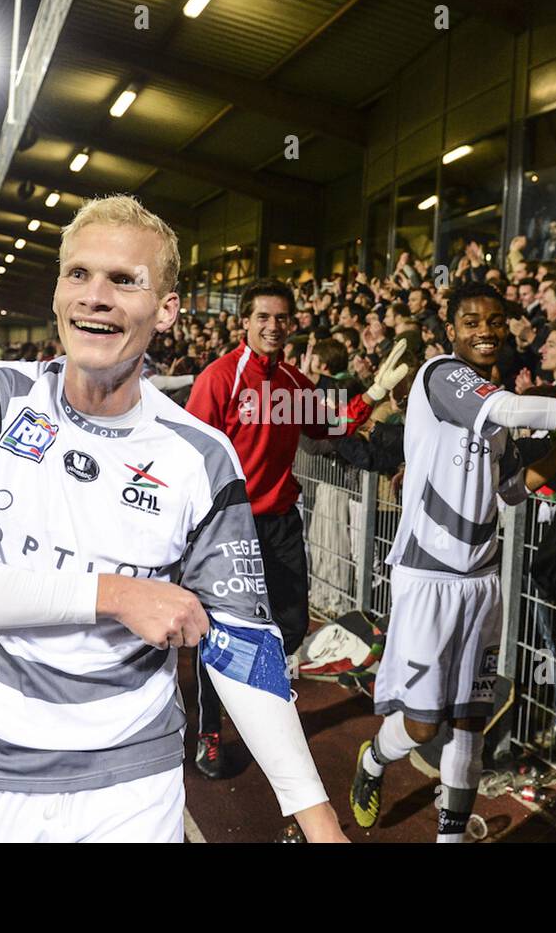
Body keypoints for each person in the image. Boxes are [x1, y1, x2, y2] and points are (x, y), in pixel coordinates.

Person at [0, 196, 346, 842]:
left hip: (130, 790)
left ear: (168, 309)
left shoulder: (202, 458)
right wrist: (118, 594)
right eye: (79, 274)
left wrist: (316, 815)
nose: (96, 296)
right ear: (58, 292)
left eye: (125, 280)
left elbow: (243, 645)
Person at [349, 281, 556, 842]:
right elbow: (509, 408)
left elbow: (510, 489)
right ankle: (372, 760)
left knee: (469, 721)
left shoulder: (491, 398)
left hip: (481, 580)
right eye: (471, 321)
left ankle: (451, 837)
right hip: (428, 576)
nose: (484, 330)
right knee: (421, 725)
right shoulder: (441, 375)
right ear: (450, 330)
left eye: (494, 321)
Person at [184, 279, 331, 780]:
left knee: (288, 630)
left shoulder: (292, 381)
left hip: (282, 525)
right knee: (221, 634)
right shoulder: (220, 377)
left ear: (292, 324)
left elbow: (330, 428)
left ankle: (266, 720)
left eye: (282, 318)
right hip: (231, 528)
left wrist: (375, 402)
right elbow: (191, 453)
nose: (273, 326)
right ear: (245, 321)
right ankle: (210, 731)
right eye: (263, 317)